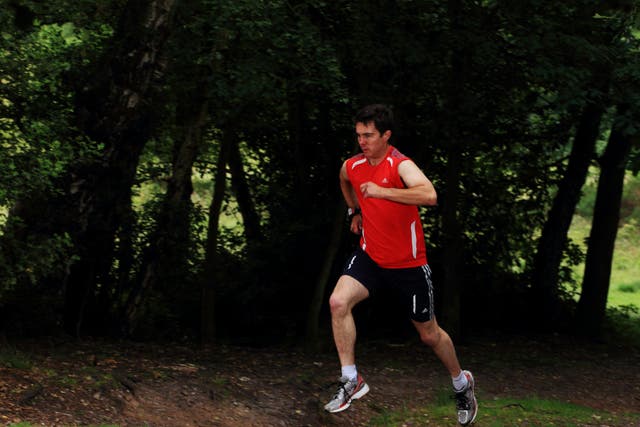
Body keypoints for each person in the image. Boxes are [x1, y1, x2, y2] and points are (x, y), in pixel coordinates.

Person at [323, 104, 477, 425]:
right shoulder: (353, 165)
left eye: (369, 135)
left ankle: (461, 383)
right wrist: (356, 212)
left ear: (386, 135)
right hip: (371, 256)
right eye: (358, 135)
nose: (362, 141)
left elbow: (430, 194)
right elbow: (344, 180)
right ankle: (351, 379)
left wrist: (383, 191)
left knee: (429, 335)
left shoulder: (400, 165)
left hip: (408, 265)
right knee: (338, 301)